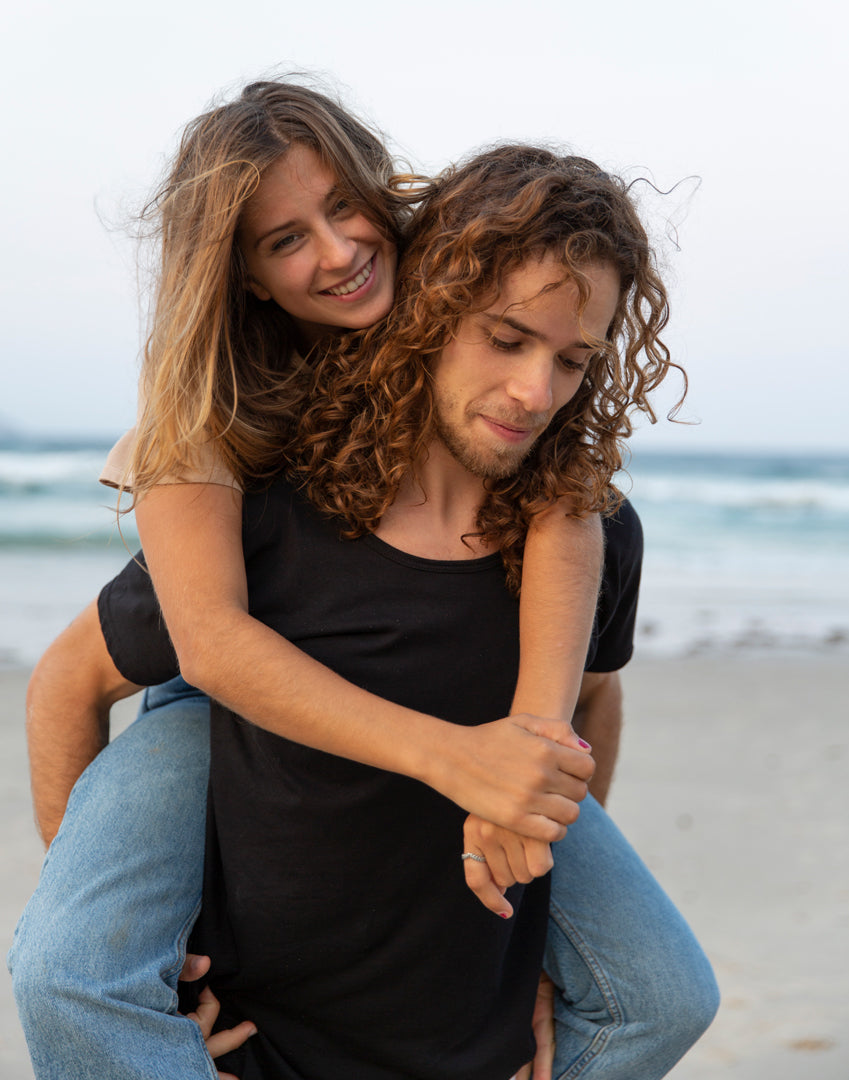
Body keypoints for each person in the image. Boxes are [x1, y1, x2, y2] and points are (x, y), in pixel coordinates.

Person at [20, 145, 718, 1079]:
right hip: (246, 882)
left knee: (666, 999)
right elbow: (74, 680)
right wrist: (140, 974)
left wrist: (547, 935)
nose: (534, 393)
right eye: (507, 339)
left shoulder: (587, 528)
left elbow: (591, 704)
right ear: (433, 306)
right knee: (68, 975)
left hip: (445, 1018)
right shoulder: (260, 493)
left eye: (572, 360)